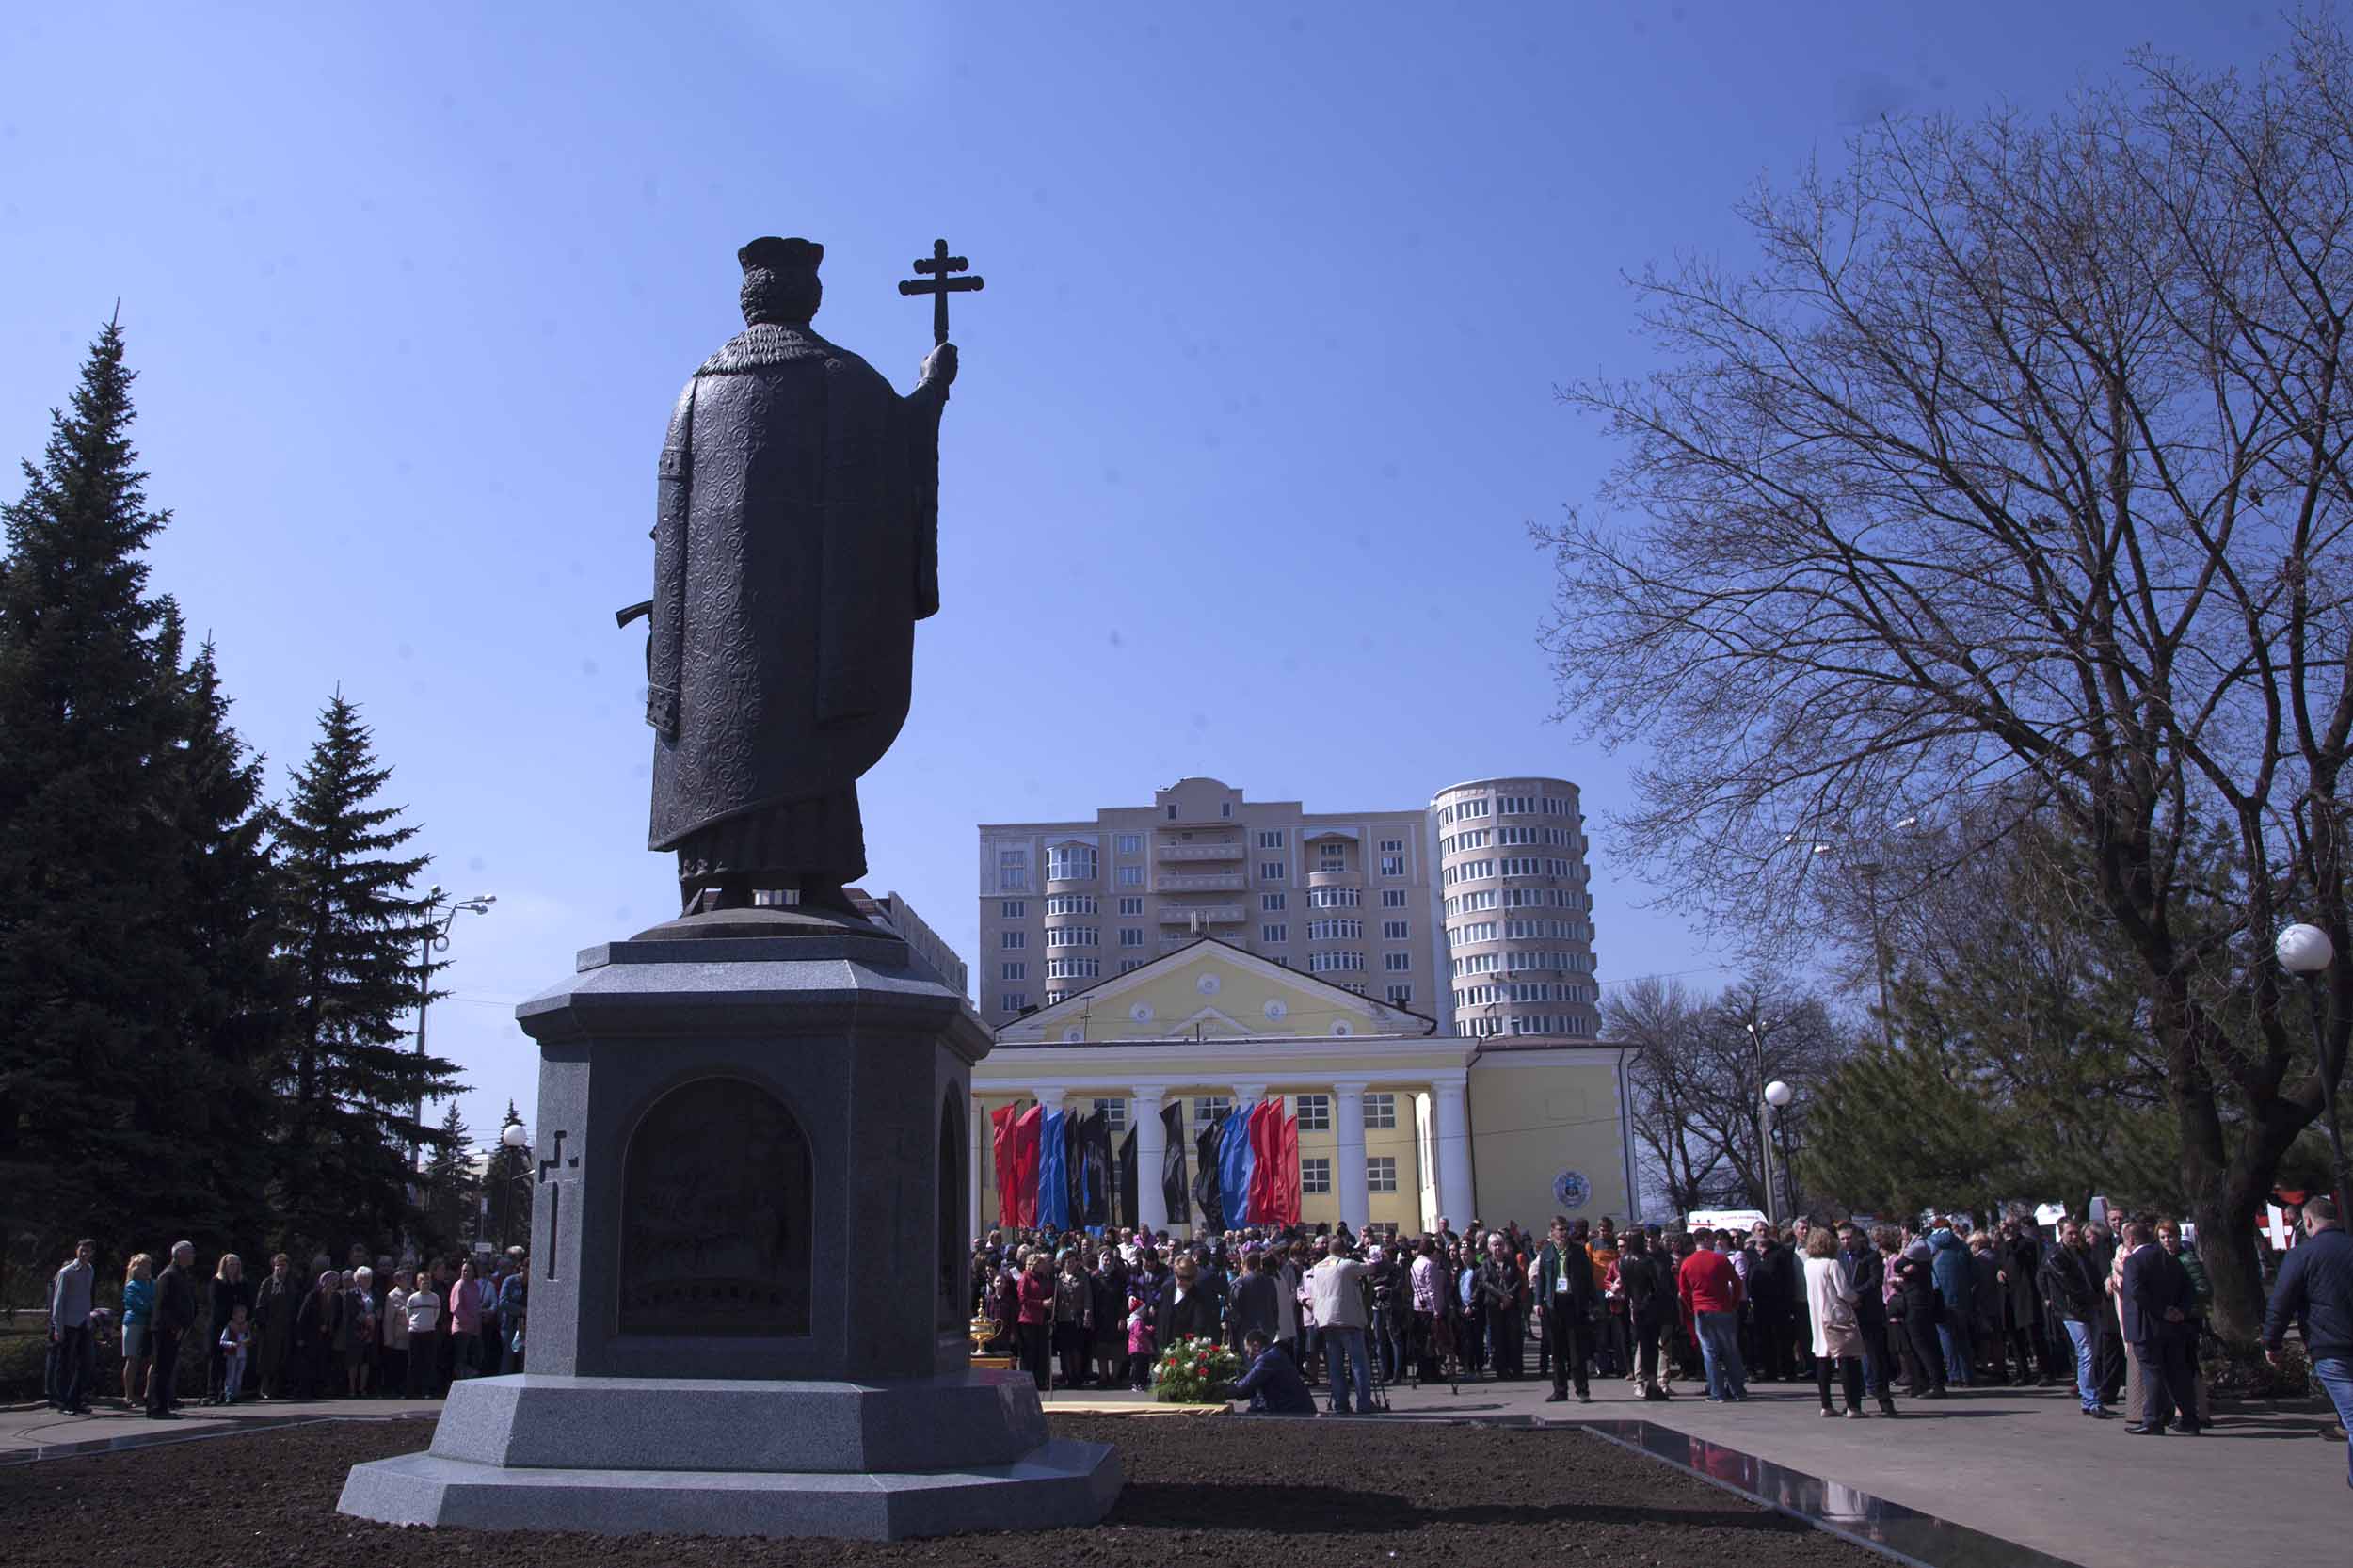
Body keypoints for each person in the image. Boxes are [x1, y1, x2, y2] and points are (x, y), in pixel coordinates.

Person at [2264, 1194, 2351, 1484]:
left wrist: (2272, 1343)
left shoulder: (2302, 1254)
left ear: (2309, 1221)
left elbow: (2281, 1301)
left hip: (2329, 1348)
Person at [2119, 1219, 2201, 1436]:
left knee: (2152, 1372)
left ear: (2131, 1239)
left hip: (2146, 1326)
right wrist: (2179, 1311)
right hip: (2173, 1326)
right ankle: (2190, 1418)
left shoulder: (2134, 1261)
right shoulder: (2168, 1258)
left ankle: (2153, 1419)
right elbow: (2189, 1288)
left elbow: (2137, 1292)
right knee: (2177, 1373)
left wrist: (2161, 1311)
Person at [2039, 1221, 2109, 1418]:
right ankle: (2092, 1399)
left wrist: (2099, 1296)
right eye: (2069, 1233)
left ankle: (2088, 1399)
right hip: (2072, 1311)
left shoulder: (2083, 1254)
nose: (2074, 1237)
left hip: (2090, 1308)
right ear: (2061, 1234)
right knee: (2085, 1352)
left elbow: (2094, 1276)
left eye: (2076, 1233)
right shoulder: (2055, 1256)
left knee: (2091, 1353)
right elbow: (2067, 1284)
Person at [1802, 1226, 1866, 1417]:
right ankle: (1853, 1406)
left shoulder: (1808, 1264)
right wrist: (1856, 1299)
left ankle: (1826, 1404)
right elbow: (1843, 1291)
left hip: (1817, 1315)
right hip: (1835, 1315)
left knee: (1823, 1358)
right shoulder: (1832, 1264)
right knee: (1846, 1359)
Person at [1305, 1237, 1373, 1415]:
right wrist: (1366, 1258)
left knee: (1335, 1366)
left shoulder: (1318, 1267)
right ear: (1343, 1251)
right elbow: (1370, 1268)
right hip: (1348, 1320)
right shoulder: (1345, 1264)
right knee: (1358, 1363)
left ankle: (1340, 1403)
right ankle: (1364, 1403)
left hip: (1326, 1320)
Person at [1532, 1216, 1596, 1403]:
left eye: (1565, 1230)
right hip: (1554, 1305)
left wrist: (1592, 1303)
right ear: (1552, 1232)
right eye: (1559, 1230)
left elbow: (1587, 1279)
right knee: (1557, 1352)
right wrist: (1537, 1302)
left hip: (1573, 1305)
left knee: (1576, 1352)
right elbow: (1541, 1281)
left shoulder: (1578, 1252)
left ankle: (1582, 1390)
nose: (1563, 1233)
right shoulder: (1546, 1253)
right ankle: (1560, 1390)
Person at [1678, 1228, 1747, 1402]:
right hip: (1723, 1308)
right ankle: (1737, 1390)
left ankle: (1717, 1392)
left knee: (1710, 1352)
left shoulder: (1687, 1263)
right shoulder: (1720, 1259)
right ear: (1707, 1239)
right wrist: (1733, 1303)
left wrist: (1691, 1307)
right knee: (1731, 1350)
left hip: (1702, 1310)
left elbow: (1684, 1291)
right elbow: (1736, 1282)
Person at [48, 1238, 98, 1416]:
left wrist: (89, 1319)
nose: (84, 1254)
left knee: (86, 1363)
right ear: (77, 1250)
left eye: (88, 1251)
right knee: (65, 1363)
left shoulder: (90, 1270)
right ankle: (64, 1402)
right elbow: (58, 1301)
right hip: (68, 1322)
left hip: (83, 1322)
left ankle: (76, 1399)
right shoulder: (66, 1272)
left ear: (92, 1253)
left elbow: (86, 1298)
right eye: (82, 1250)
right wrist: (58, 1327)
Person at [149, 1240, 199, 1419]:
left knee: (168, 1368)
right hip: (166, 1330)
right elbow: (162, 1306)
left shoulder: (182, 1274)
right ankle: (157, 1407)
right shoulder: (168, 1275)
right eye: (190, 1252)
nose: (193, 1256)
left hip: (176, 1329)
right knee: (161, 1368)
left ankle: (163, 1405)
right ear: (179, 1255)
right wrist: (174, 1327)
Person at [1925, 1217, 1974, 1386]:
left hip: (1939, 1295)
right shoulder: (1961, 1245)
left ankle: (1954, 1376)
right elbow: (1972, 1271)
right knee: (1963, 1336)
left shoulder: (1929, 1244)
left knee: (1945, 1336)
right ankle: (1968, 1375)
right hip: (1961, 1297)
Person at [1477, 1230, 1527, 1380]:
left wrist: (1509, 1295)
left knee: (1514, 1337)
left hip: (1512, 1304)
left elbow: (1518, 1280)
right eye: (1494, 1245)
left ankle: (1516, 1368)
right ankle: (1502, 1369)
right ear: (1489, 1247)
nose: (1497, 1248)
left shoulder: (1511, 1261)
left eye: (1500, 1245)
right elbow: (1485, 1283)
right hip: (1495, 1305)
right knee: (1499, 1338)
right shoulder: (1486, 1264)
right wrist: (1501, 1296)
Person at [1232, 1329, 1316, 1415]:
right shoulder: (1275, 1353)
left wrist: (1221, 1390)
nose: (1248, 1356)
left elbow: (1245, 1385)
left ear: (1255, 1346)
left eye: (1247, 1351)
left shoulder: (1267, 1360)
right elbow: (1250, 1388)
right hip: (1297, 1410)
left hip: (1293, 1413)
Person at [204, 1253, 250, 1405]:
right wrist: (229, 1322)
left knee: (233, 1362)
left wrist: (244, 1322)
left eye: (237, 1265)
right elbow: (216, 1305)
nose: (234, 1268)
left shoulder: (242, 1283)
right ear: (224, 1265)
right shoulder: (216, 1282)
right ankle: (212, 1393)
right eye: (231, 1264)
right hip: (220, 1326)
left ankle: (230, 1392)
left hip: (239, 1327)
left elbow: (247, 1303)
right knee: (216, 1359)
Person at [251, 1254, 296, 1400]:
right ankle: (264, 1388)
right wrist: (263, 1324)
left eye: (283, 1265)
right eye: (278, 1265)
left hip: (286, 1327)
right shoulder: (268, 1283)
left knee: (283, 1358)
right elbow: (260, 1306)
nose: (280, 1269)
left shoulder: (291, 1283)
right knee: (267, 1359)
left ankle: (278, 1388)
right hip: (270, 1328)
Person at [294, 1268, 341, 1399]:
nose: (334, 1284)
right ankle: (304, 1391)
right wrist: (300, 1336)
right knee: (308, 1364)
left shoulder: (337, 1298)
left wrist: (331, 1330)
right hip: (310, 1336)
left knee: (322, 1364)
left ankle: (318, 1390)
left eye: (336, 1282)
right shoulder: (313, 1295)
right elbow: (302, 1317)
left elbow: (338, 1317)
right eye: (331, 1281)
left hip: (326, 1336)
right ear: (323, 1282)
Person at [1051, 1250, 1093, 1388]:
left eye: (1073, 1262)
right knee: (1065, 1349)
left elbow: (1087, 1296)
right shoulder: (1058, 1278)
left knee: (1077, 1348)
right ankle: (1068, 1375)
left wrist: (1087, 1314)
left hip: (1077, 1317)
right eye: (1068, 1262)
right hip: (1063, 1317)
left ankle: (1077, 1376)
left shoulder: (1082, 1277)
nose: (1070, 1264)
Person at [1016, 1252, 1055, 1391]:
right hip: (1028, 1319)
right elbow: (1023, 1299)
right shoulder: (1025, 1277)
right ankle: (1027, 1381)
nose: (1044, 1267)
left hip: (1042, 1319)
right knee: (1029, 1352)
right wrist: (1041, 1303)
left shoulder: (1043, 1278)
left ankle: (1040, 1379)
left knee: (1041, 1351)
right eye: (1041, 1264)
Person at [120, 1253, 155, 1409]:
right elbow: (136, 1304)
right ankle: (128, 1395)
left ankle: (149, 1393)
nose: (146, 1268)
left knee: (151, 1359)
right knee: (132, 1358)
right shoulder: (131, 1285)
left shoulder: (152, 1284)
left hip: (149, 1324)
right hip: (134, 1323)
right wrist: (151, 1306)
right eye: (142, 1265)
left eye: (148, 1265)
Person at [402, 1269, 443, 1399]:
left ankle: (427, 1391)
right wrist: (415, 1325)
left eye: (427, 1280)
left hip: (429, 1332)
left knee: (428, 1362)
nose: (425, 1283)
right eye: (422, 1280)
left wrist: (429, 1323)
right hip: (415, 1332)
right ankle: (411, 1391)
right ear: (417, 1283)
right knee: (413, 1362)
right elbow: (408, 1315)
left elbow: (436, 1314)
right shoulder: (412, 1298)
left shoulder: (435, 1298)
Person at [216, 1304, 251, 1405]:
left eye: (243, 1316)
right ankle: (229, 1395)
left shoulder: (246, 1327)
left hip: (242, 1355)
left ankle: (236, 1394)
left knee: (239, 1375)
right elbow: (222, 1341)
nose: (242, 1319)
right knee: (230, 1375)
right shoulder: (230, 1327)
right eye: (240, 1316)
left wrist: (246, 1342)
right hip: (232, 1354)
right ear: (234, 1316)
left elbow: (250, 1339)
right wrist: (231, 1344)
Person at [498, 1260, 528, 1375]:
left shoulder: (534, 1283)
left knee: (523, 1359)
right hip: (510, 1325)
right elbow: (503, 1302)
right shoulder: (510, 1281)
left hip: (525, 1326)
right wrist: (521, 1310)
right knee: (508, 1358)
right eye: (523, 1270)